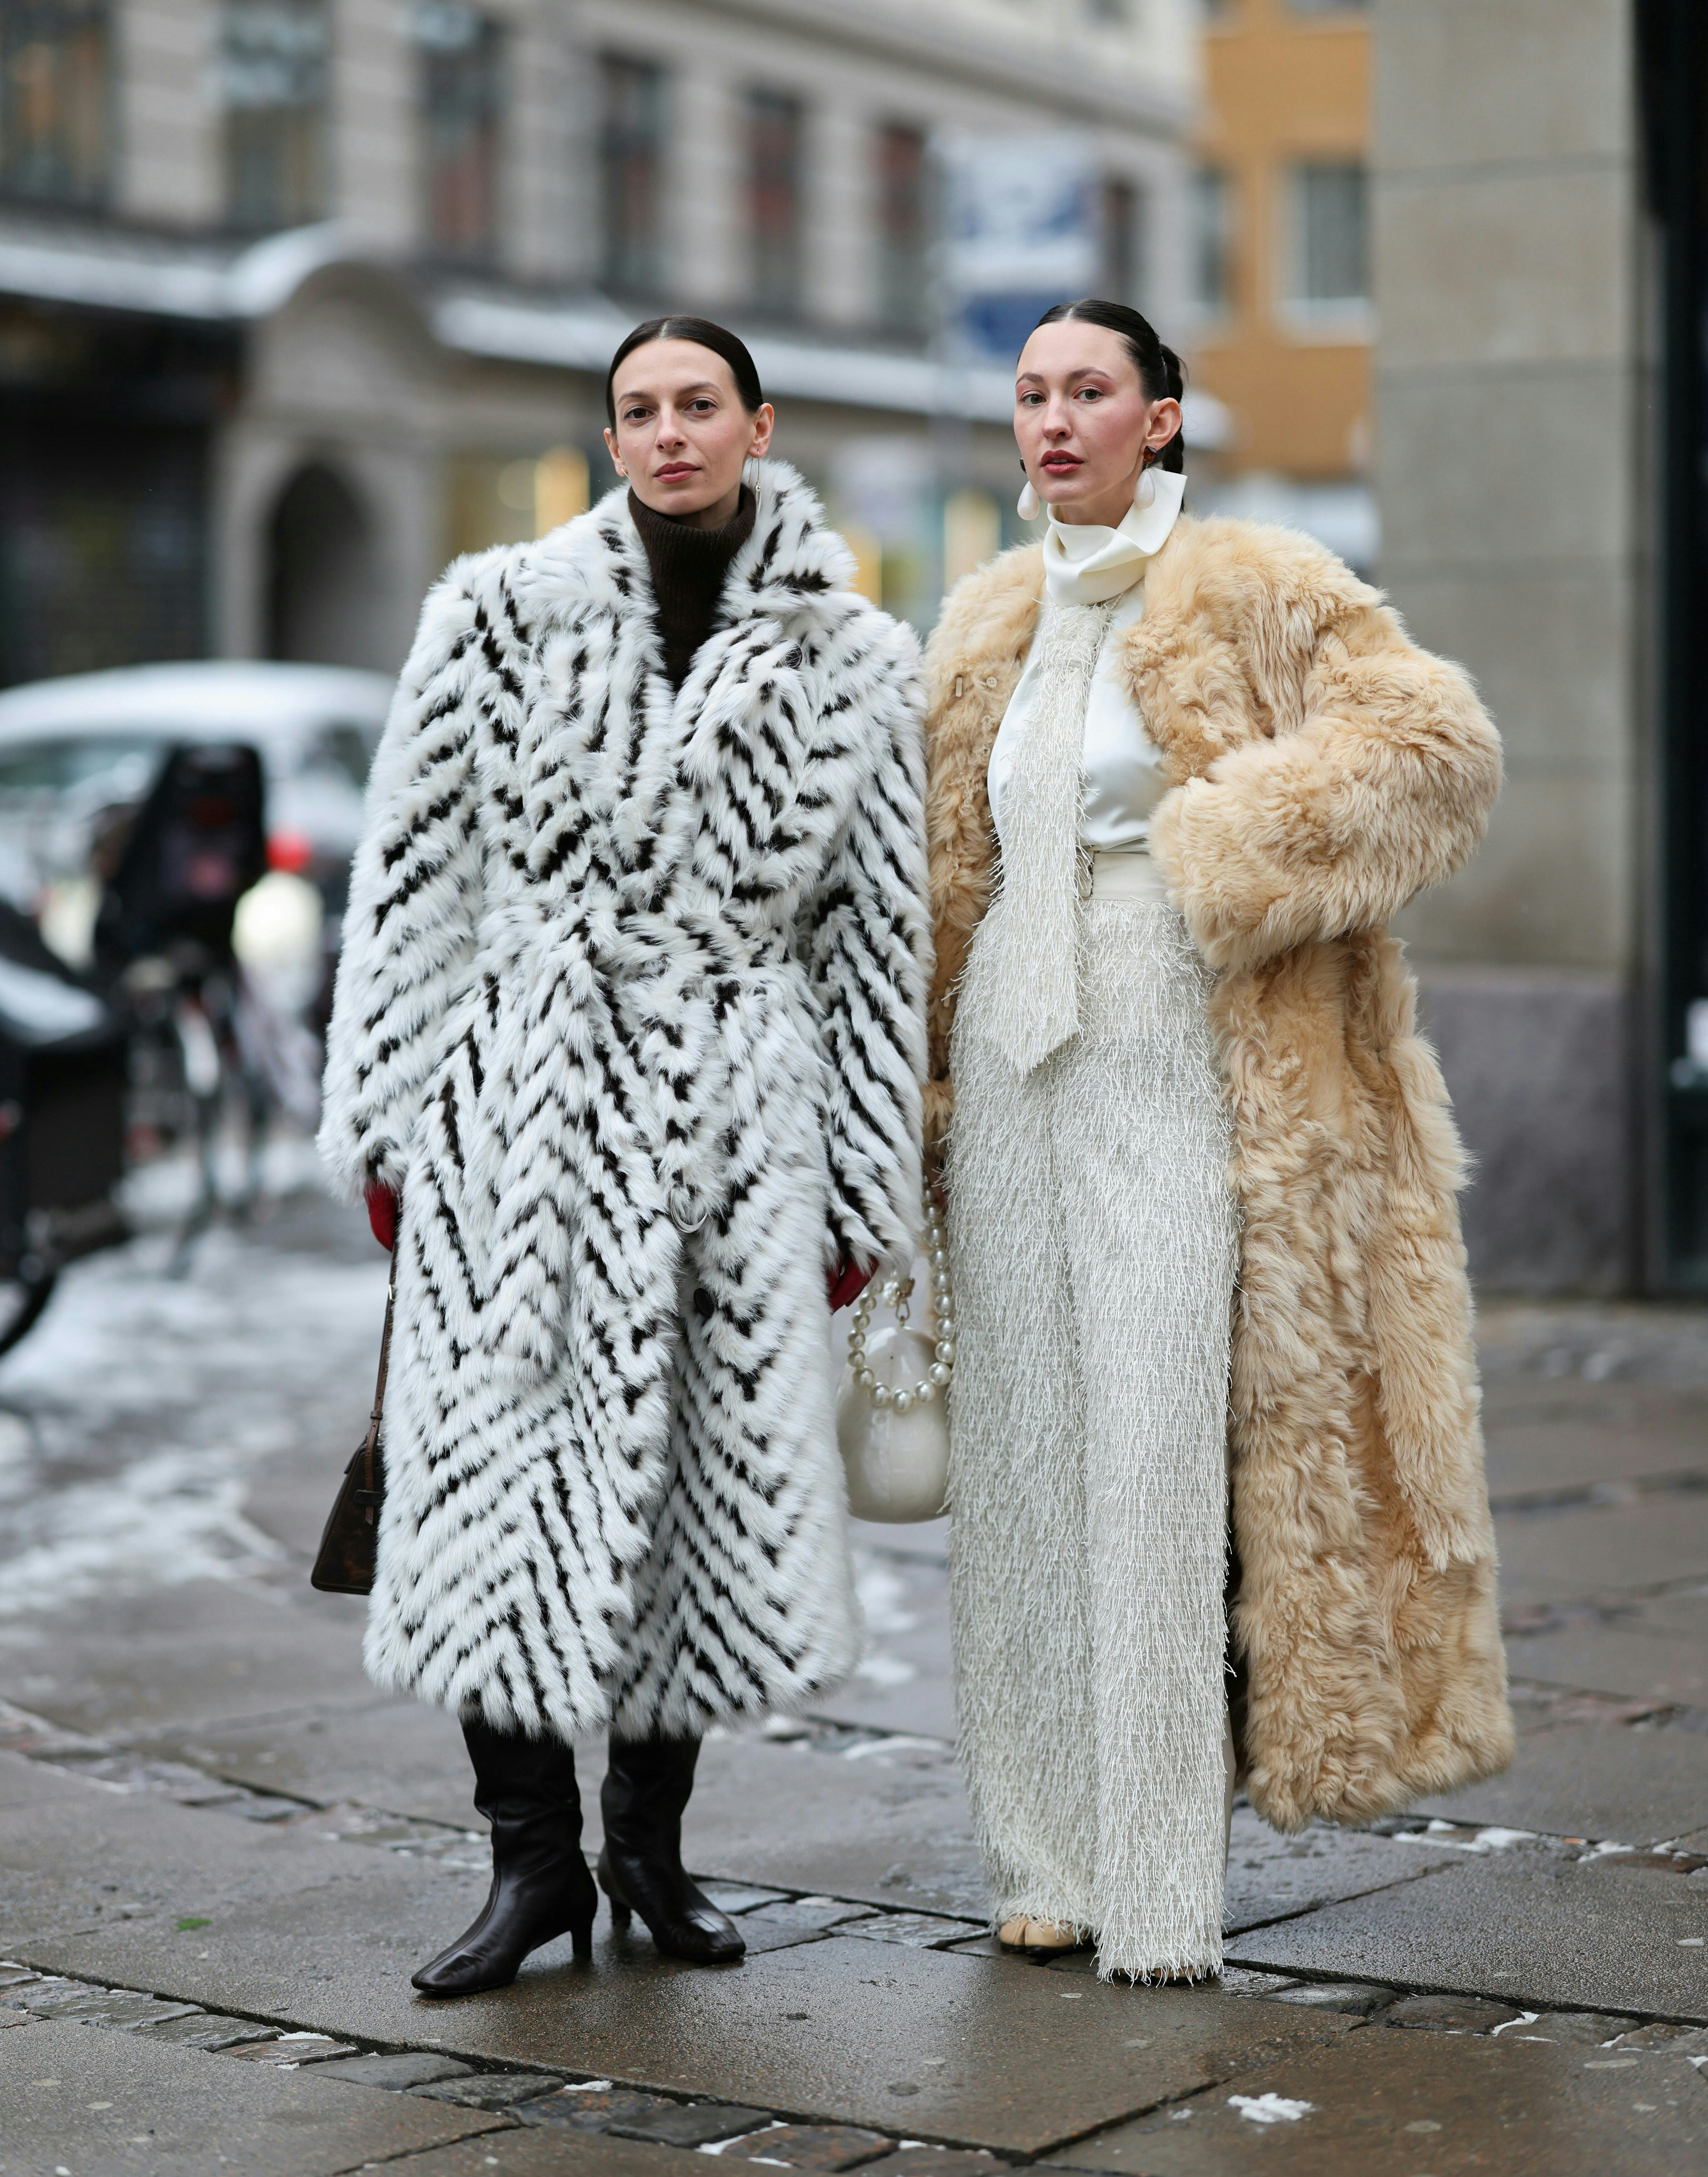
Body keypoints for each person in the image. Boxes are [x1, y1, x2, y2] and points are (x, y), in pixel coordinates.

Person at [319, 315, 931, 1995]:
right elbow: (413, 878)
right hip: (514, 1103)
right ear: (610, 436)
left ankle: (650, 1852)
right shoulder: (495, 613)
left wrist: (862, 1181)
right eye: (638, 410)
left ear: (758, 422)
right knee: (495, 1479)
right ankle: (528, 1866)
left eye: (697, 406)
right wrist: (392, 1118)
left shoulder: (856, 660)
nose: (667, 434)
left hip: (735, 1115)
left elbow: (877, 941)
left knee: (693, 1493)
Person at [922, 298, 1513, 1984]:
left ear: (1160, 417)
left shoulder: (1255, 580)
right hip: (1003, 1058)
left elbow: (1435, 746)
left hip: (1179, 1032)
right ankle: (1043, 1853)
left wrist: (1227, 841)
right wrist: (913, 1106)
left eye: (1088, 391)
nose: (1052, 420)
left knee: (1160, 1449)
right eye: (1030, 393)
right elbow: (940, 880)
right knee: (1024, 1462)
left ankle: (1165, 1889)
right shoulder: (985, 614)